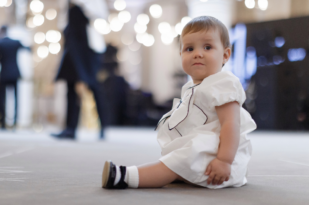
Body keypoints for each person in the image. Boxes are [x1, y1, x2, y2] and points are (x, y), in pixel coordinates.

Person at [102, 16, 257, 189]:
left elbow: (231, 124)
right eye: (189, 48)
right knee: (175, 161)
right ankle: (177, 171)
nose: (198, 53)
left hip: (217, 160)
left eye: (207, 47)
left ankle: (125, 177)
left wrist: (224, 161)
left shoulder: (223, 83)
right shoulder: (192, 86)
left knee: (176, 163)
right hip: (202, 150)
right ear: (181, 54)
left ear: (225, 55)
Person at [52, 0, 109, 140]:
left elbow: (101, 15)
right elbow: (63, 21)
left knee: (93, 86)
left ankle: (103, 127)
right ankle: (70, 129)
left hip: (87, 47)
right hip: (71, 45)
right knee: (70, 85)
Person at [0, 25, 30, 129]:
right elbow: (28, 49)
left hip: (4, 74)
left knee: (2, 99)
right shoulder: (15, 42)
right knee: (16, 99)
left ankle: (3, 123)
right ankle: (15, 122)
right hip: (15, 73)